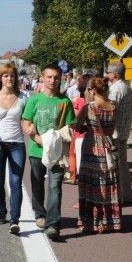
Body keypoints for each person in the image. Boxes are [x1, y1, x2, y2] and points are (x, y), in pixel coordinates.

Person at [21, 63, 76, 241]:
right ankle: (40, 214)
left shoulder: (64, 102)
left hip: (57, 152)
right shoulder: (34, 100)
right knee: (37, 183)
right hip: (36, 150)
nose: (52, 80)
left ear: (61, 79)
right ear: (43, 78)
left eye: (56, 77)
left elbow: (71, 126)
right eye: (49, 77)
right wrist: (33, 134)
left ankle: (53, 224)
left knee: (55, 186)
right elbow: (26, 122)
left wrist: (56, 138)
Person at [75, 76, 121, 233]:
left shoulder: (89, 107)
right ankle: (109, 221)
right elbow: (112, 127)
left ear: (93, 90)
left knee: (91, 184)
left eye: (89, 89)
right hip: (108, 145)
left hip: (92, 146)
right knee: (108, 183)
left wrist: (86, 126)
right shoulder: (114, 106)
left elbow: (77, 126)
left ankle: (92, 221)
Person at [0, 64, 26, 233]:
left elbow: (27, 120)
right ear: (0, 78)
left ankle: (14, 220)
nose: (9, 78)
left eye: (12, 76)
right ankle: (2, 211)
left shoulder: (23, 97)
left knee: (15, 182)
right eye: (6, 75)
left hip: (17, 144)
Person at [106, 61, 132, 204]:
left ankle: (118, 196)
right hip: (123, 130)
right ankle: (126, 194)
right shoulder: (126, 87)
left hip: (115, 132)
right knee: (123, 165)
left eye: (108, 72)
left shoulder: (116, 89)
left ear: (115, 74)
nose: (106, 75)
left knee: (114, 165)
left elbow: (110, 110)